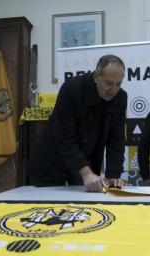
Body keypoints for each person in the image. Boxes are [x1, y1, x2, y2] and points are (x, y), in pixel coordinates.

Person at [28, 55, 127, 192]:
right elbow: (64, 137)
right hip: (52, 162)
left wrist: (113, 176)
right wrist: (86, 173)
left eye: (118, 84)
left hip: (84, 163)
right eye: (109, 83)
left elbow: (116, 140)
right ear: (96, 76)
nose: (113, 90)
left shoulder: (120, 97)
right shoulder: (71, 89)